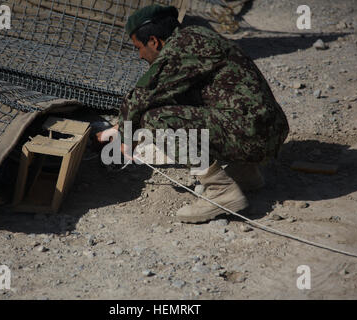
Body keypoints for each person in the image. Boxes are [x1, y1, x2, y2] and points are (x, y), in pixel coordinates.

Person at [96, 4, 289, 223]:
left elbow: (142, 97)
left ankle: (220, 191)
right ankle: (245, 172)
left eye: (138, 47)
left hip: (254, 135)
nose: (140, 56)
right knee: (179, 100)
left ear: (154, 41)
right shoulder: (196, 36)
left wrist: (123, 134)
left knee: (156, 119)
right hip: (267, 130)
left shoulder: (181, 48)